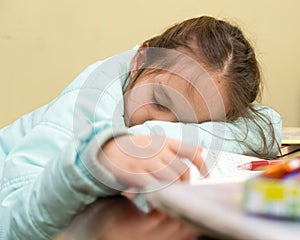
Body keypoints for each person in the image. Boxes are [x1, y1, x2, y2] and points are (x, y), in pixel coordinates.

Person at [0, 16, 280, 239]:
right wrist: (101, 155)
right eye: (160, 101)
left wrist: (148, 137)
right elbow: (9, 224)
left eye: (194, 126)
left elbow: (268, 125)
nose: (157, 124)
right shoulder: (87, 102)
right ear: (139, 61)